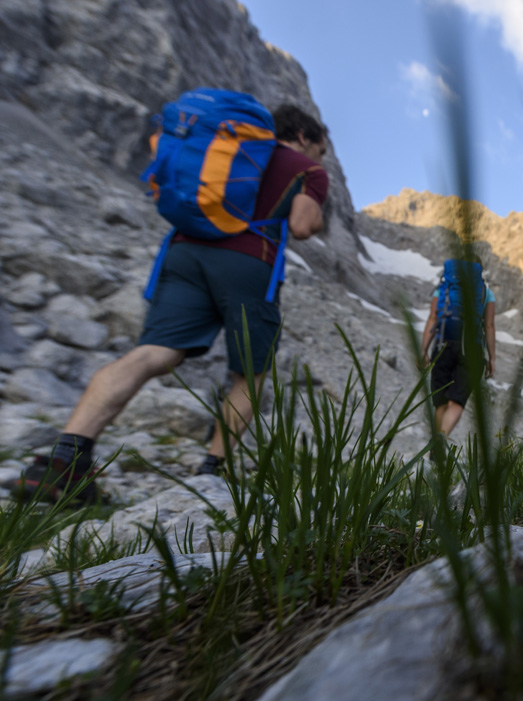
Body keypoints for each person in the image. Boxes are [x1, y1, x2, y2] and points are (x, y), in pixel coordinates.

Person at [14, 104, 330, 504]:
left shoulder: (229, 148)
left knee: (151, 353)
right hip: (249, 261)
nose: (320, 157)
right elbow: (302, 226)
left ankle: (64, 461)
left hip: (184, 252)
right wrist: (316, 215)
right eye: (320, 148)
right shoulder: (307, 169)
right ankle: (212, 474)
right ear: (304, 136)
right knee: (249, 375)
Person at [420, 262, 496, 436]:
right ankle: (441, 438)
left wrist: (423, 350)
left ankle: (434, 449)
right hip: (471, 349)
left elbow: (433, 318)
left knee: (440, 401)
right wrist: (491, 358)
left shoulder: (445, 287)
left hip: (443, 344)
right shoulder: (485, 292)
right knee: (456, 402)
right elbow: (489, 326)